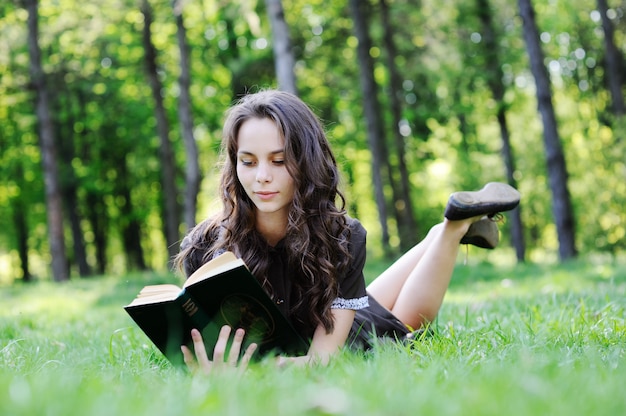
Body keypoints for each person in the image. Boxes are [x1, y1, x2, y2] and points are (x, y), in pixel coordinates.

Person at [174, 90, 520, 374]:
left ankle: (454, 226)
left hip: (336, 331)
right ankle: (440, 232)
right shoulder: (205, 247)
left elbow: (322, 361)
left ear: (306, 160)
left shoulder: (341, 236)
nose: (261, 176)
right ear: (234, 164)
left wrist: (270, 370)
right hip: (338, 312)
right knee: (370, 305)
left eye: (279, 161)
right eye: (248, 161)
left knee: (405, 321)